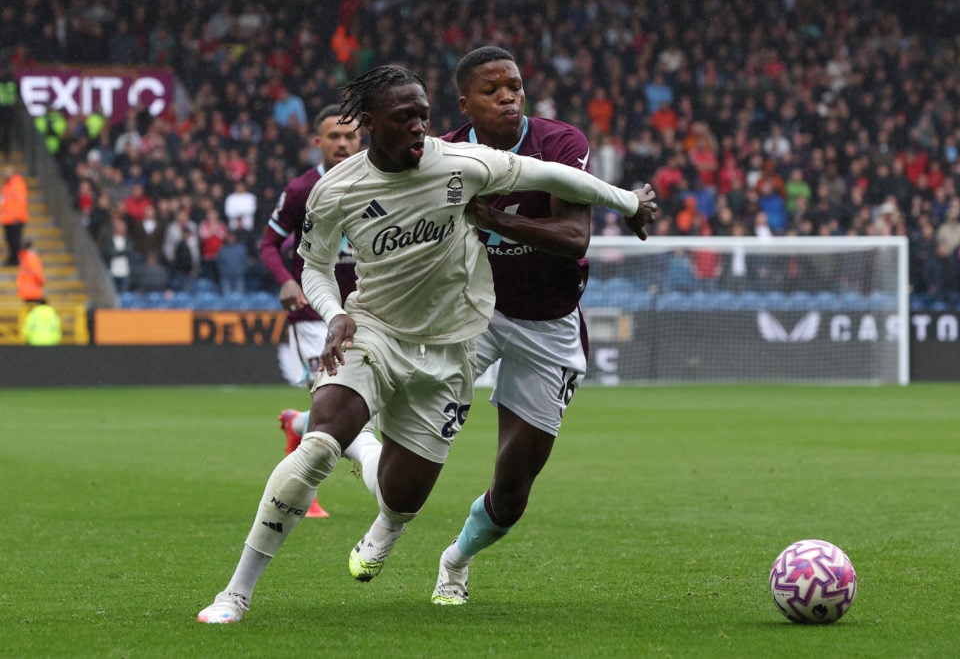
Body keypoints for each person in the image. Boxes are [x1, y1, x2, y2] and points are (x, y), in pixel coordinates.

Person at [196, 65, 656, 623]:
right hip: (374, 330)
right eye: (403, 118)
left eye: (423, 116)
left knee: (401, 496)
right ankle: (235, 593)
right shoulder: (335, 188)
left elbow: (558, 178)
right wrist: (335, 312)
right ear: (368, 124)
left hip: (450, 348)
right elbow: (313, 265)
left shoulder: (462, 164)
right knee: (317, 447)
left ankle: (379, 492)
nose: (418, 128)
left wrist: (629, 203)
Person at [428, 45, 653, 606]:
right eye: (492, 90)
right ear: (465, 103)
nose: (508, 97)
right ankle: (382, 521)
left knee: (512, 489)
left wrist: (495, 217)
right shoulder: (445, 153)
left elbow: (576, 237)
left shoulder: (559, 142)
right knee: (413, 423)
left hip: (546, 323)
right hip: (471, 313)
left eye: (515, 87)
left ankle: (455, 559)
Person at [258, 103, 372, 519]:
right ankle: (304, 494)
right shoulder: (302, 190)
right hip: (313, 314)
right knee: (333, 404)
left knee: (358, 403)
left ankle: (296, 424)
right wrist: (286, 280)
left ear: (361, 140)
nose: (342, 144)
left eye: (350, 137)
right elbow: (268, 244)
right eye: (334, 137)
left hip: (365, 310)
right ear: (318, 142)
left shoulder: (377, 183)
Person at [2, 165, 29, 266]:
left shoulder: (17, 184)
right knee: (10, 240)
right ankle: (12, 259)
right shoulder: (7, 186)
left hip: (15, 219)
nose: (5, 174)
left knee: (15, 240)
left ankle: (16, 259)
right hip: (7, 219)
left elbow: (20, 202)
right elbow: (3, 202)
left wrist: (17, 217)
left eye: (7, 172)